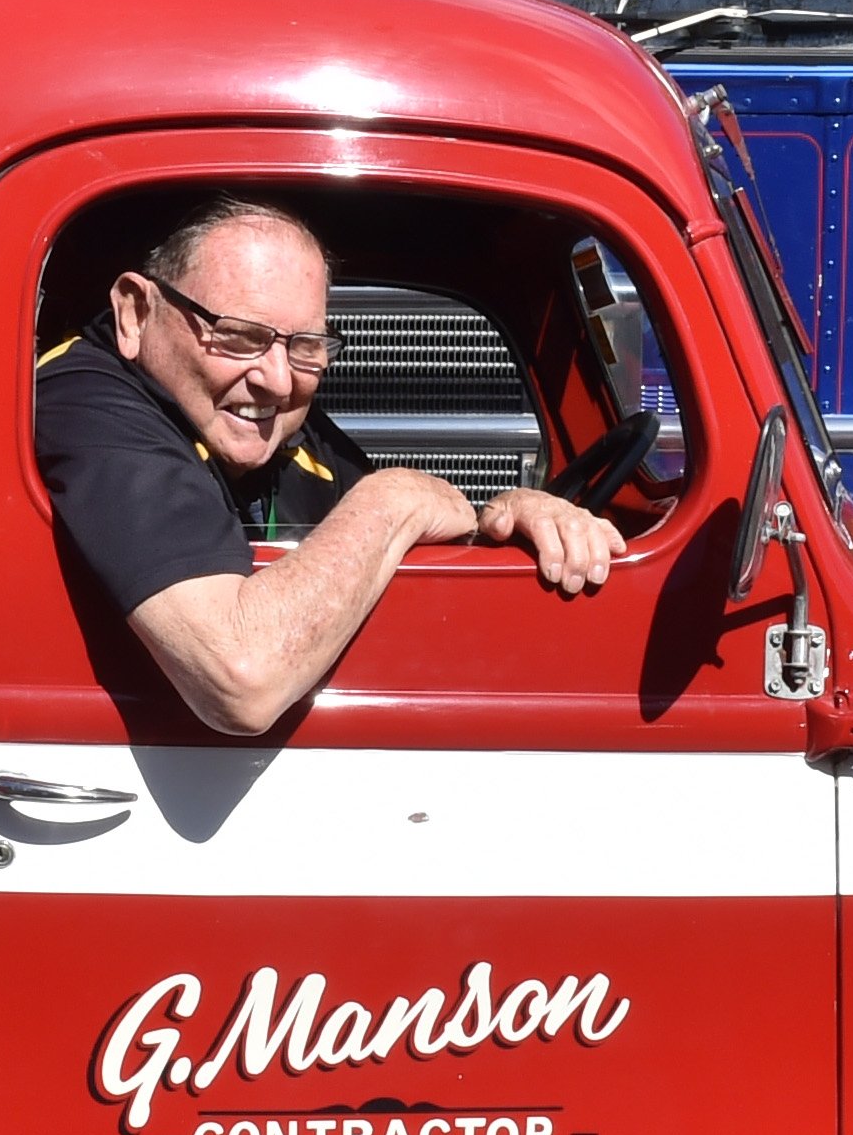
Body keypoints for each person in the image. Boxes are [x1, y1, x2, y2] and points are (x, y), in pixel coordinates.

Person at [33, 199, 621, 737]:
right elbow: (243, 678)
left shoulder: (274, 422)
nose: (279, 381)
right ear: (136, 313)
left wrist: (507, 515)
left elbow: (384, 535)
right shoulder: (83, 401)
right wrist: (395, 500)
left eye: (306, 346)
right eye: (239, 336)